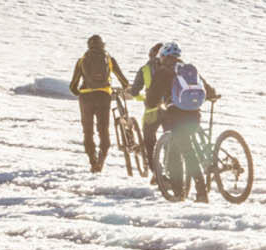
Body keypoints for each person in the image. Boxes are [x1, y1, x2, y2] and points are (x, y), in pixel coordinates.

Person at [130, 40, 218, 200]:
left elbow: (151, 101)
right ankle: (185, 190)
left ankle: (198, 193)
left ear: (163, 56)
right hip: (194, 114)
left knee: (185, 153)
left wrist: (155, 103)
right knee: (185, 150)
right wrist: (212, 96)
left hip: (176, 116)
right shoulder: (188, 69)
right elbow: (208, 90)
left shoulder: (163, 72)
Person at [68, 34, 127, 172]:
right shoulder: (108, 59)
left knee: (88, 131)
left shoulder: (82, 60)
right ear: (103, 45)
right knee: (103, 129)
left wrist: (81, 93)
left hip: (85, 98)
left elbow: (72, 86)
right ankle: (101, 160)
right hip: (103, 97)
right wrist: (123, 88)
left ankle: (92, 161)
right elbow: (123, 81)